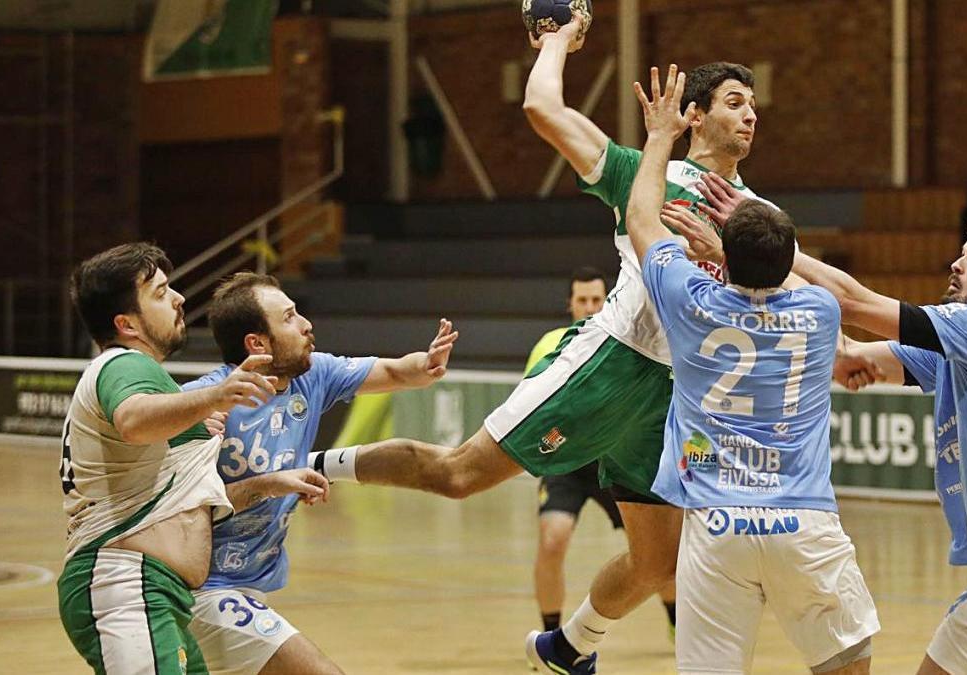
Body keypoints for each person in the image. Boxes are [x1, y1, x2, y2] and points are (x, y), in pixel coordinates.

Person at [306, 19, 784, 674]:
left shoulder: (757, 214)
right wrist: (557, 39)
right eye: (735, 101)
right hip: (613, 364)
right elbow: (542, 109)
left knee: (658, 563)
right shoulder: (643, 172)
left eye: (754, 104)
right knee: (457, 476)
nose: (750, 114)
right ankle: (307, 459)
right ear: (694, 115)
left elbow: (795, 291)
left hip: (676, 396)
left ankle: (566, 646)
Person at [673, 188, 967, 675]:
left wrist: (778, 251)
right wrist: (750, 271)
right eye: (961, 253)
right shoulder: (958, 355)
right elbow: (850, 358)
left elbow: (854, 303)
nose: (957, 264)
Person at [626, 64, 879, 675]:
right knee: (848, 662)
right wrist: (734, 245)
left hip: (717, 525)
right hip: (804, 521)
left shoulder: (689, 303)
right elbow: (829, 288)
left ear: (721, 257)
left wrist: (659, 138)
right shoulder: (819, 313)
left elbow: (640, 218)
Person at [179, 272, 457, 675]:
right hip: (198, 591)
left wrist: (426, 363)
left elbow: (397, 372)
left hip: (250, 588)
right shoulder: (203, 403)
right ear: (257, 344)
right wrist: (269, 485)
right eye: (289, 317)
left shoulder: (312, 377)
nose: (306, 324)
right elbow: (174, 511)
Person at [58, 243, 279, 675]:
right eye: (160, 293)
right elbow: (134, 421)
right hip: (126, 583)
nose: (178, 297)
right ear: (126, 324)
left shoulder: (145, 379)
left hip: (155, 590)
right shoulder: (124, 365)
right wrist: (214, 395)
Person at [526, 267, 678, 638]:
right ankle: (552, 633)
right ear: (570, 305)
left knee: (655, 553)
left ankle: (677, 623)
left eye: (597, 299)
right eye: (582, 300)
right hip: (569, 463)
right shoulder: (551, 344)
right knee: (553, 537)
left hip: (618, 461)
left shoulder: (629, 340)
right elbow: (533, 405)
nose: (590, 307)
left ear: (608, 299)